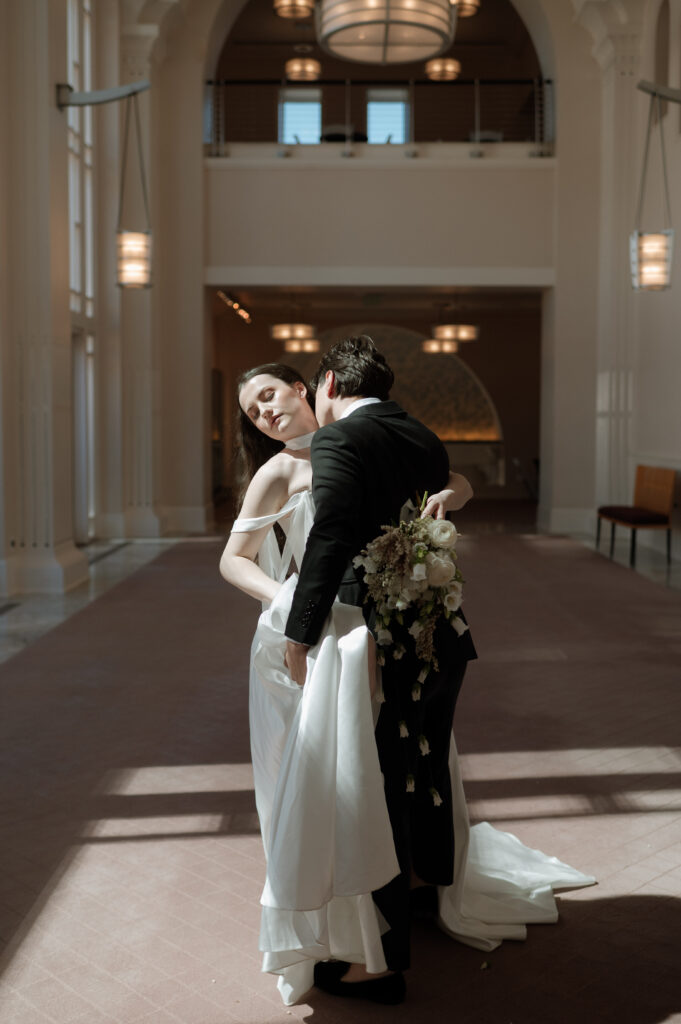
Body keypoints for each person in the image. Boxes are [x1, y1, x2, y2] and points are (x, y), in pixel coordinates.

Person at [221, 349, 596, 1008]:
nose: (265, 414)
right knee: (352, 770)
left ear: (309, 388)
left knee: (384, 767)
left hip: (384, 628)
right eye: (253, 411)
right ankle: (372, 908)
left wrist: (445, 498)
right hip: (327, 625)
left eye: (271, 397)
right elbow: (234, 559)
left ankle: (404, 897)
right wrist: (282, 609)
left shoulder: (364, 441)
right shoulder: (281, 469)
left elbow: (446, 481)